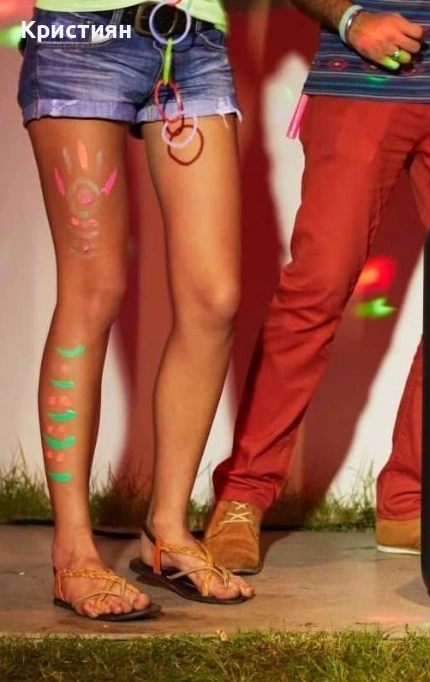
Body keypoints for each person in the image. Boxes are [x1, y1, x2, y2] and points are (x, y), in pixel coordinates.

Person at [203, 0, 430, 573]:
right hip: (358, 84)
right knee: (316, 290)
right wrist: (350, 19)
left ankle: (408, 500)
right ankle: (243, 496)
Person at [19, 0, 255, 619]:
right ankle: (73, 550)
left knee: (214, 297)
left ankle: (166, 532)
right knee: (94, 288)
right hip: (80, 34)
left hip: (192, 40)